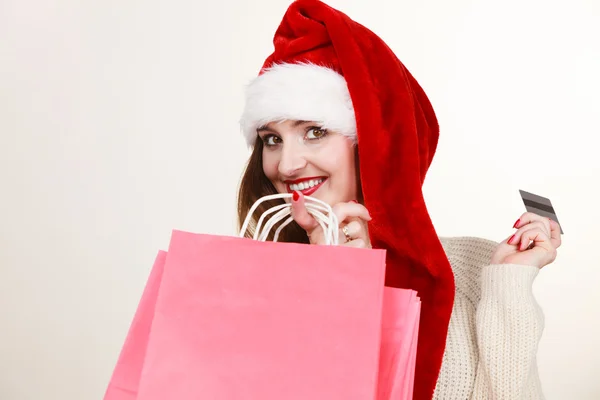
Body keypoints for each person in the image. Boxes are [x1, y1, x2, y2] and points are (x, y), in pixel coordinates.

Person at [236, 1, 561, 399]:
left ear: (376, 143)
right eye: (272, 139)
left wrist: (510, 283)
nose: (286, 164)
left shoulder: (475, 271)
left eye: (315, 131)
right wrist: (327, 284)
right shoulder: (241, 284)